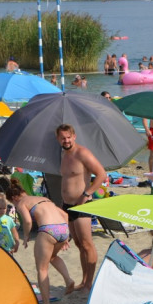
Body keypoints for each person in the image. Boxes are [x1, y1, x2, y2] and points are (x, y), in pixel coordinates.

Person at [7, 179, 75, 304]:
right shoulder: (43, 198)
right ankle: (68, 279)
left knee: (42, 269)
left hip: (48, 230)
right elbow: (65, 215)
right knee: (53, 257)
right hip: (63, 229)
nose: (15, 206)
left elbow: (27, 221)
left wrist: (26, 236)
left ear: (14, 197)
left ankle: (46, 303)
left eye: (12, 203)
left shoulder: (22, 203)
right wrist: (66, 237)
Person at [57, 124, 106, 294]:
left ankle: (89, 284)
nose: (66, 140)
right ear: (58, 139)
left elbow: (101, 174)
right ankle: (84, 280)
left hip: (83, 205)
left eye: (68, 137)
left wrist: (87, 193)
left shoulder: (82, 153)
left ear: (74, 136)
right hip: (67, 206)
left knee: (87, 244)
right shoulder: (63, 155)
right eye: (63, 138)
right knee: (78, 244)